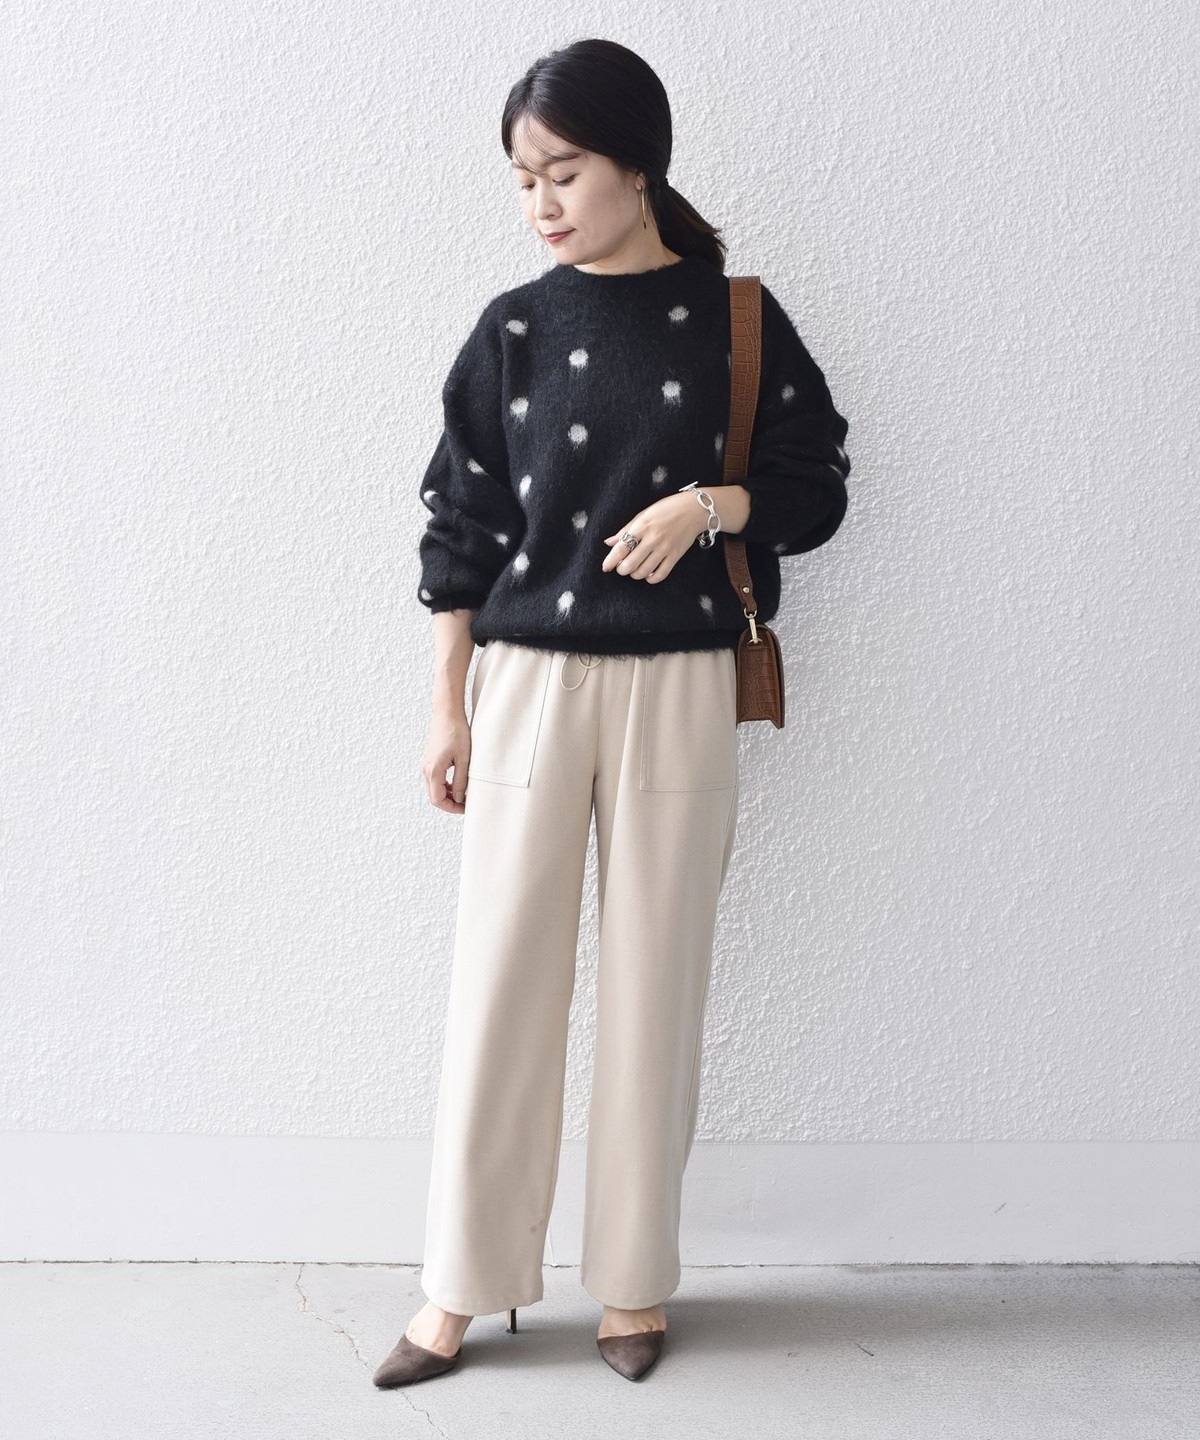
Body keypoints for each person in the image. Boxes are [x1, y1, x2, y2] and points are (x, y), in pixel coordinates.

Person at [373, 37, 851, 1388]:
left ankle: (634, 1283)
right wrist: (448, 708)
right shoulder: (513, 330)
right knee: (499, 984)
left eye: (564, 171)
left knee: (657, 985)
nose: (540, 202)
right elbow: (461, 529)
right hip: (526, 682)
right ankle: (460, 1288)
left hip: (680, 686)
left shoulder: (737, 319)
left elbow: (816, 482)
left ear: (638, 164)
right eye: (523, 179)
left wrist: (713, 506)